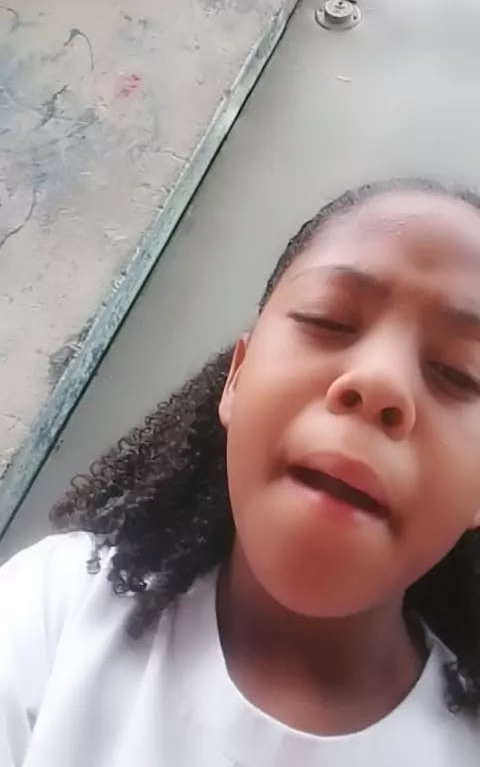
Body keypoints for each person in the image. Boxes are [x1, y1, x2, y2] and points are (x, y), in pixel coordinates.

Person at [2, 177, 480, 767]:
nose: (379, 382)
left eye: (458, 374)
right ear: (236, 378)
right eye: (328, 320)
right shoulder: (53, 610)